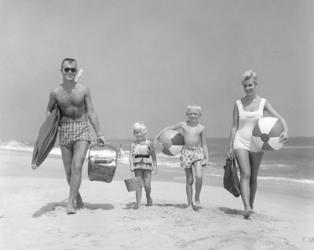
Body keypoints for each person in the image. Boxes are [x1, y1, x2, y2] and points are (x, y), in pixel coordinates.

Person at [46, 58, 105, 214]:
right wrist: (49, 131)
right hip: (64, 129)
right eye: (67, 69)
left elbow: (91, 111)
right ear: (61, 71)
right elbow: (49, 111)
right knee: (68, 172)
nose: (70, 72)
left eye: (73, 70)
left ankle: (70, 202)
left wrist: (99, 132)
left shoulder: (84, 90)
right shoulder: (55, 92)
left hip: (82, 129)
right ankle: (77, 197)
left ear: (76, 70)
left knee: (77, 165)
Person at [228, 70, 288, 218]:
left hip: (257, 143)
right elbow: (234, 127)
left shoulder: (263, 103)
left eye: (250, 85)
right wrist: (230, 147)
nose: (247, 88)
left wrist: (285, 131)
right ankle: (246, 207)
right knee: (245, 174)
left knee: (253, 177)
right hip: (240, 141)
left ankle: (251, 206)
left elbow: (279, 117)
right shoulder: (238, 104)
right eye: (245, 86)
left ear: (256, 84)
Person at [155, 105, 209, 210]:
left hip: (198, 152)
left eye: (195, 114)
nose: (192, 116)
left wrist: (207, 156)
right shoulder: (183, 124)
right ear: (187, 114)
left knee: (199, 176)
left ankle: (197, 198)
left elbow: (204, 144)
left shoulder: (202, 128)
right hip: (186, 152)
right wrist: (157, 137)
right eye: (190, 114)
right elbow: (168, 128)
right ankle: (189, 203)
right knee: (189, 179)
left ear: (199, 115)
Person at [129, 122, 157, 209]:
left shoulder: (149, 143)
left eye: (140, 132)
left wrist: (156, 166)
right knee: (138, 185)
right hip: (137, 166)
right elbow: (130, 156)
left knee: (147, 185)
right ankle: (138, 203)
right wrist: (131, 165)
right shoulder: (133, 144)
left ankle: (148, 197)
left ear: (144, 132)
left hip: (147, 165)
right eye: (136, 132)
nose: (138, 134)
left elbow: (153, 155)